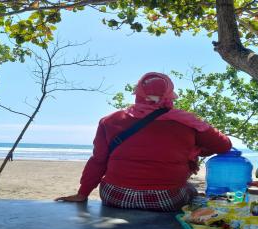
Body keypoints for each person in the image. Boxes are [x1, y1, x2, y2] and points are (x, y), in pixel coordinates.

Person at [55, 72, 232, 211]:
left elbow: (98, 160)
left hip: (115, 196)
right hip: (167, 200)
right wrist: (195, 149)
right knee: (192, 190)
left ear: (138, 93)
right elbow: (224, 146)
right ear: (170, 95)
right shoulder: (187, 122)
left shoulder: (110, 120)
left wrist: (82, 193)